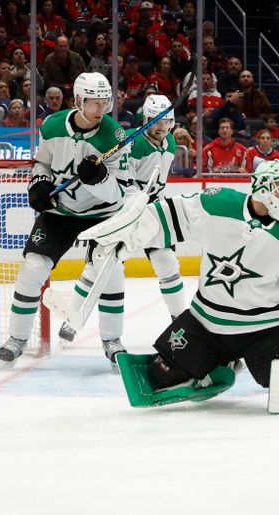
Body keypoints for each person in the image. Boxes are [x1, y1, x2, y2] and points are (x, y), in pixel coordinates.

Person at [79, 161, 279, 405]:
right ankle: (215, 366)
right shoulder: (218, 204)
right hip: (205, 323)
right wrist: (125, 236)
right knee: (155, 378)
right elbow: (165, 215)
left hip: (266, 331)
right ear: (262, 186)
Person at [0, 72, 133, 368]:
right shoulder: (53, 125)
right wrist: (39, 183)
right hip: (60, 211)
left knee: (110, 272)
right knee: (33, 268)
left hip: (102, 214)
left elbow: (119, 191)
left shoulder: (116, 136)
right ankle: (17, 339)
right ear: (79, 100)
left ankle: (112, 340)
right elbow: (42, 162)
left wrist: (99, 178)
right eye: (93, 102)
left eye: (104, 102)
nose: (100, 109)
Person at [58, 95, 185, 342]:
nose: (162, 128)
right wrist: (135, 206)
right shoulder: (132, 144)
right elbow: (122, 184)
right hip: (123, 211)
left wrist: (150, 206)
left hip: (152, 211)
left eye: (167, 122)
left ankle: (180, 319)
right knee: (101, 266)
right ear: (145, 119)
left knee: (167, 262)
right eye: (156, 122)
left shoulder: (169, 142)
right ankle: (72, 319)